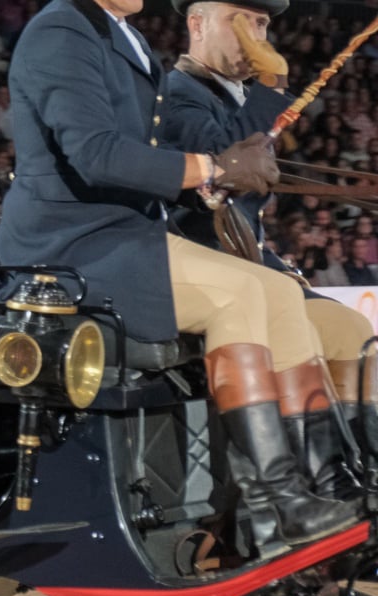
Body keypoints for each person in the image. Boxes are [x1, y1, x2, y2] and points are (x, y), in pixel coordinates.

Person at [0, 0, 354, 553]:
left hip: (126, 231)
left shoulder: (123, 37)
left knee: (275, 288)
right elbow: (96, 154)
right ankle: (272, 506)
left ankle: (317, 485)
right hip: (70, 242)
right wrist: (212, 167)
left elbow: (148, 151)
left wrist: (203, 181)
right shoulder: (63, 27)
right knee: (241, 291)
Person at [160, 0, 378, 498]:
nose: (254, 37)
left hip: (252, 264)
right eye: (238, 22)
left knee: (349, 328)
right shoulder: (178, 95)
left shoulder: (235, 96)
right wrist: (273, 89)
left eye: (260, 24)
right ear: (197, 24)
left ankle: (353, 474)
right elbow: (228, 167)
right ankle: (300, 488)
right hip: (205, 271)